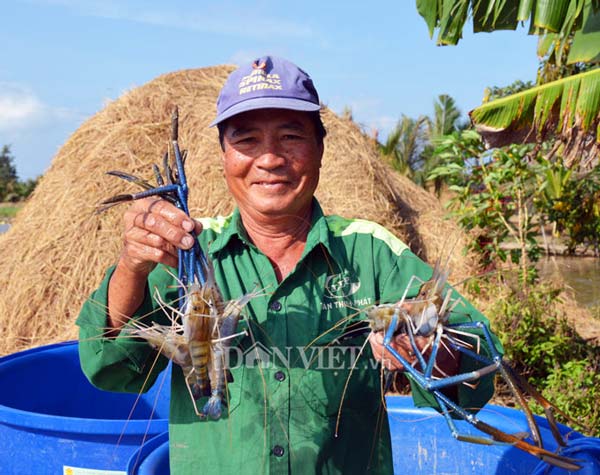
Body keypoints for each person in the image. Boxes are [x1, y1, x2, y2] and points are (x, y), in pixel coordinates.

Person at [77, 56, 501, 474]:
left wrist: (430, 349)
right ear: (224, 155)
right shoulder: (186, 249)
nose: (270, 159)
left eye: (290, 137)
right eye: (246, 141)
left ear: (320, 148)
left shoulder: (370, 251)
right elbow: (109, 369)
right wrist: (132, 267)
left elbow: (476, 362)